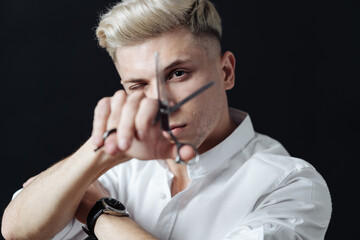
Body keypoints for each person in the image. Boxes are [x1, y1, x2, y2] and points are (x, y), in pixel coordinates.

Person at [1, 0, 332, 239]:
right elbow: (17, 230)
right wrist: (99, 151)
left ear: (226, 71)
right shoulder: (117, 166)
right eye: (139, 85)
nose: (161, 103)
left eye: (177, 73)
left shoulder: (292, 185)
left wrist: (99, 211)